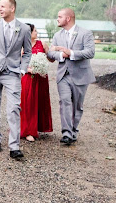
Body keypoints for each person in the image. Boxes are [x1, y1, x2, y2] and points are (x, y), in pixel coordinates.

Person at [0, 0, 32, 160]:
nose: (0, 9)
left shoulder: (23, 28)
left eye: (2, 6)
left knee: (14, 109)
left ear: (12, 8)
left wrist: (22, 69)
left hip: (12, 73)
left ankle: (14, 146)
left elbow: (28, 52)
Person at [46, 8, 96, 145]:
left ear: (68, 18)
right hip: (63, 74)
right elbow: (50, 54)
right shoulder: (57, 36)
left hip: (81, 74)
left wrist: (71, 53)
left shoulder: (85, 33)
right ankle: (66, 133)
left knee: (77, 106)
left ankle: (74, 130)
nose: (57, 19)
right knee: (65, 102)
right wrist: (61, 55)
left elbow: (90, 52)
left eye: (59, 16)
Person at [20, 23, 53, 141]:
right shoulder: (22, 46)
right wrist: (28, 70)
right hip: (28, 77)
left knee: (40, 101)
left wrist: (52, 51)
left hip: (41, 77)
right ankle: (28, 130)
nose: (37, 32)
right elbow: (17, 61)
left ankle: (38, 126)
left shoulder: (42, 44)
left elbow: (51, 59)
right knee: (28, 103)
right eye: (35, 31)